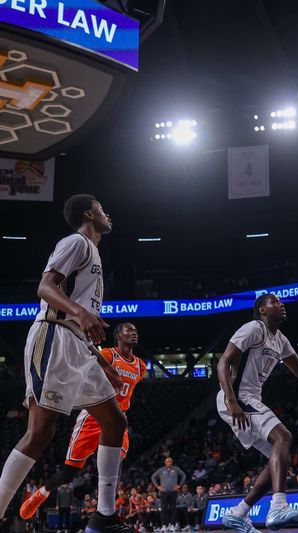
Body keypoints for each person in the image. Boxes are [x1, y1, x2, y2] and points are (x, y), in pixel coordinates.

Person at [0, 194, 134, 533]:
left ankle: (103, 518)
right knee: (40, 433)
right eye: (103, 208)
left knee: (115, 422)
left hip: (77, 344)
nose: (108, 212)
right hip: (54, 335)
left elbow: (81, 317)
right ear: (89, 213)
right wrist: (80, 312)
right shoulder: (77, 241)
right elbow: (45, 287)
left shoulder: (94, 252)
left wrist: (104, 366)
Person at [216, 293, 298, 531]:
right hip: (237, 397)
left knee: (278, 461)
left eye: (281, 302)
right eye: (274, 302)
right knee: (283, 438)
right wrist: (231, 401)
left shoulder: (280, 339)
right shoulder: (253, 328)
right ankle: (277, 507)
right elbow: (223, 362)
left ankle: (238, 512)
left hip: (249, 399)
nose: (281, 305)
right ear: (262, 310)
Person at [20, 323, 146, 521]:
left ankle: (106, 511)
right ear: (117, 336)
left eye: (135, 330)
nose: (134, 332)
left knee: (116, 463)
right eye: (128, 330)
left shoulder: (141, 365)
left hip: (118, 419)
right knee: (69, 473)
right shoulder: (107, 355)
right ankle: (42, 492)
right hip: (94, 416)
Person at [151, 458, 185, 532]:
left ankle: (173, 525)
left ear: (172, 462)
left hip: (173, 491)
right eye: (167, 461)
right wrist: (157, 486)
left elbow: (183, 475)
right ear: (165, 462)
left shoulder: (176, 469)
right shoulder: (161, 470)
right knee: (164, 509)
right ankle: (164, 525)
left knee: (173, 509)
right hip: (164, 492)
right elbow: (153, 477)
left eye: (170, 461)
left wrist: (179, 485)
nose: (169, 463)